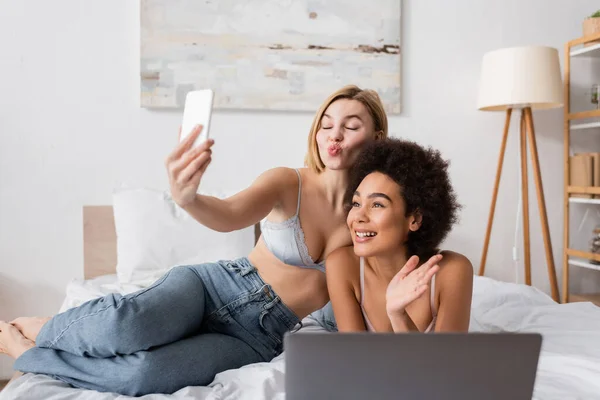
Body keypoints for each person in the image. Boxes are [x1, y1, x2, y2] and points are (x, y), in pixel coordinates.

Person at [0, 85, 388, 396]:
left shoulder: (376, 216)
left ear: (377, 137)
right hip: (214, 287)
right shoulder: (288, 181)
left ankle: (26, 353)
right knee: (123, 326)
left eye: (351, 126)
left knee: (144, 375)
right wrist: (189, 199)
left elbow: (364, 299)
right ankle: (51, 326)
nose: (334, 134)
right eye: (326, 123)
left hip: (258, 336)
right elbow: (229, 214)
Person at [326, 138, 473, 333]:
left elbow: (444, 362)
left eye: (377, 204)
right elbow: (357, 359)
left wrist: (398, 314)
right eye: (356, 203)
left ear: (415, 219)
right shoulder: (342, 265)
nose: (358, 217)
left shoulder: (451, 271)